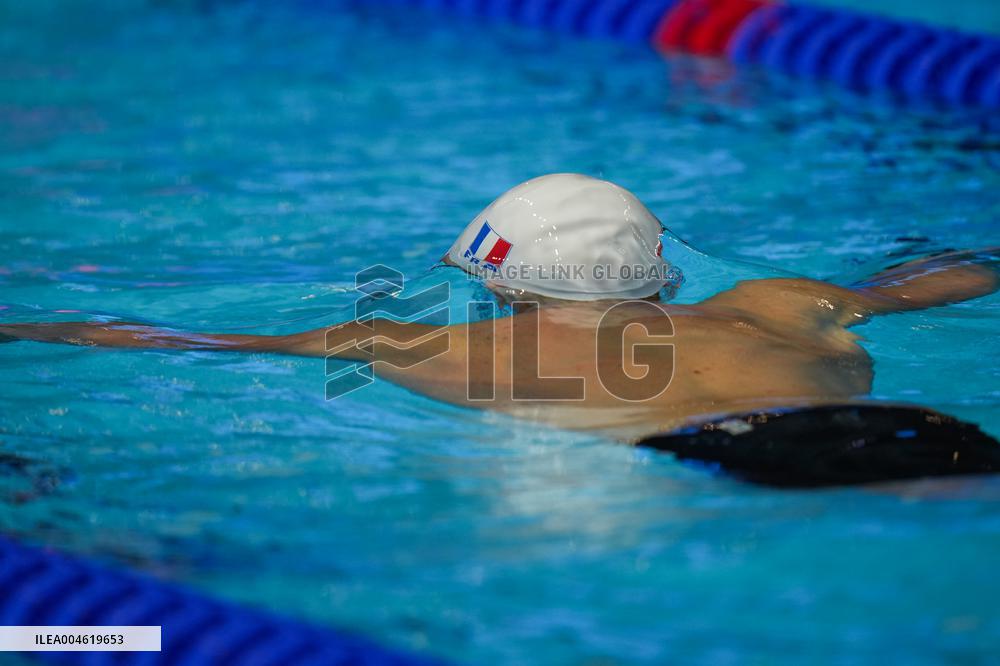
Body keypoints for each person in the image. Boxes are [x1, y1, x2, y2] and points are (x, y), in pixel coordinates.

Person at [2, 174, 997, 440]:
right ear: (662, 274)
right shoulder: (777, 302)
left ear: (501, 285)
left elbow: (151, 337)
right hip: (905, 427)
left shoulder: (406, 344)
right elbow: (952, 278)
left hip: (734, 459)